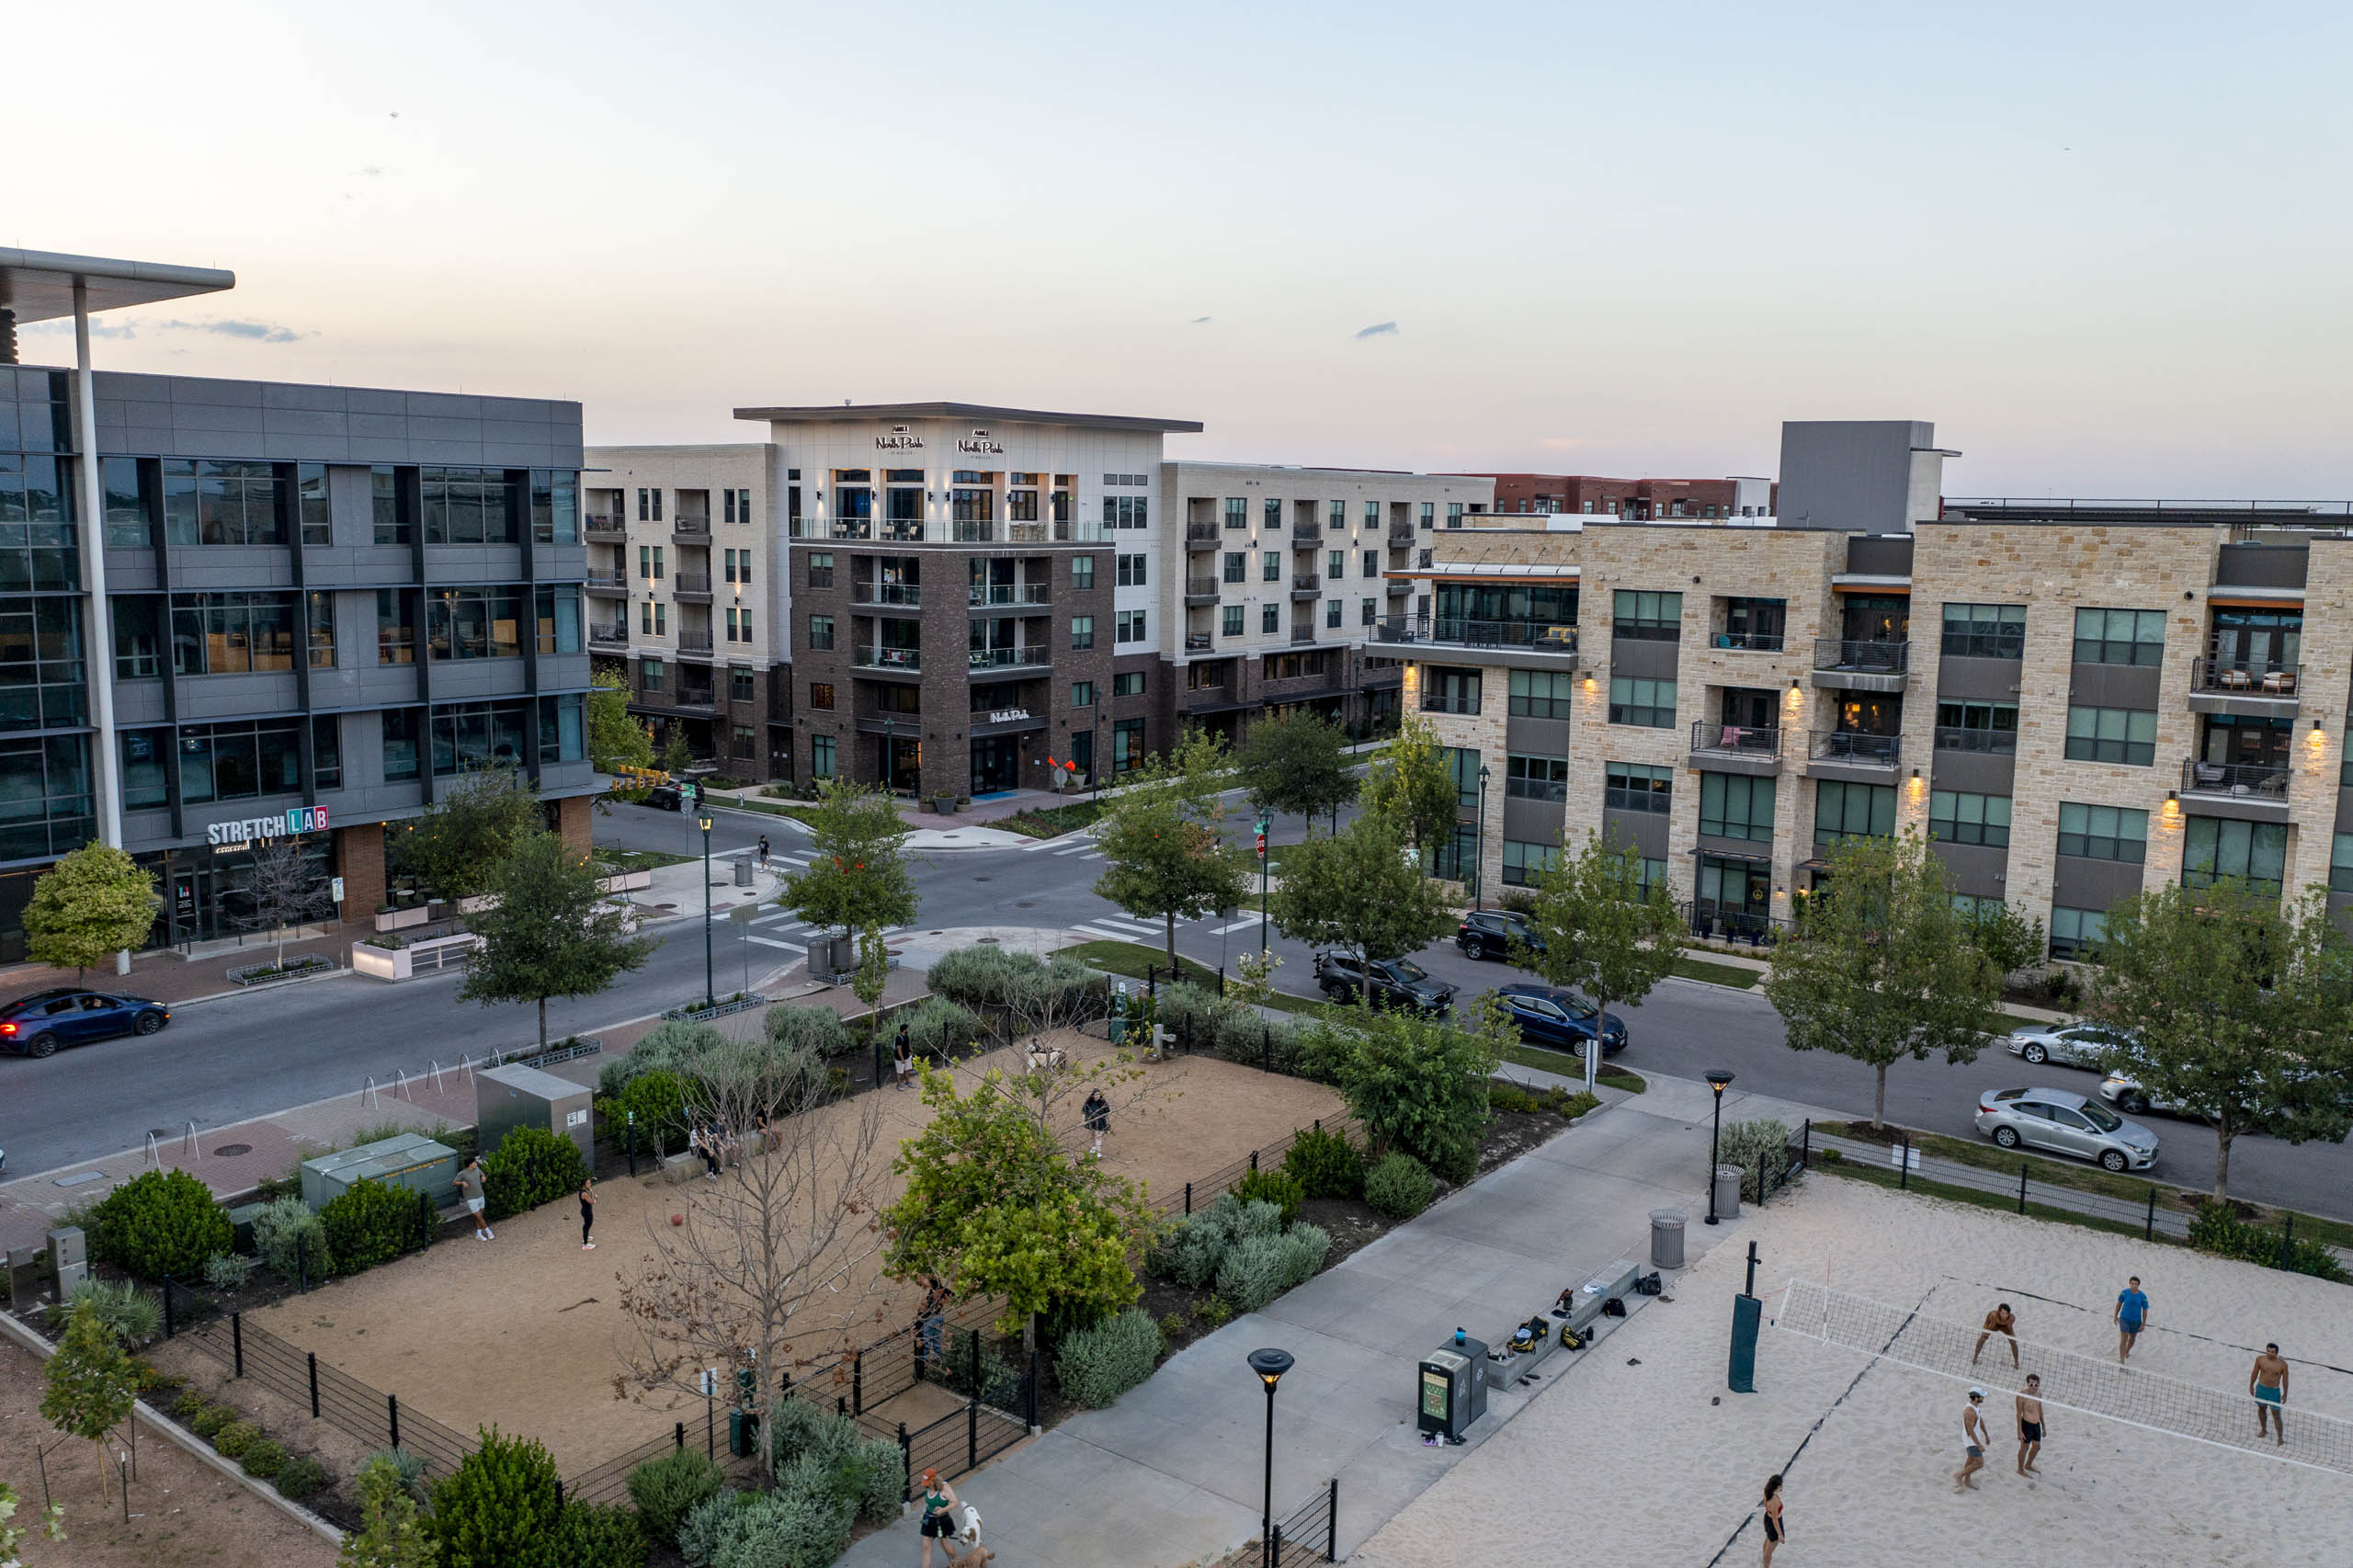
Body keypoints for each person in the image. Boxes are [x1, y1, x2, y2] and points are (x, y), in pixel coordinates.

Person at [917, 1469, 963, 1568]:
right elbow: (930, 1502)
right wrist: (924, 1513)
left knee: (944, 1544)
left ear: (934, 1480)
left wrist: (943, 1510)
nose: (926, 1485)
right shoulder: (928, 1486)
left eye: (929, 1482)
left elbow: (955, 1502)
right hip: (929, 1518)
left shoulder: (944, 1487)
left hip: (941, 1520)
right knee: (925, 1546)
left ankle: (957, 1561)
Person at [2251, 1343, 2290, 1446]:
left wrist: (2285, 1394)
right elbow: (2255, 1372)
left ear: (2276, 1353)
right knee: (2261, 1409)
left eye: (2272, 1352)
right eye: (2268, 1351)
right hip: (2261, 1389)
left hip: (2274, 1391)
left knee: (2276, 1415)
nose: (2270, 1353)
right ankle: (2263, 1430)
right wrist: (2251, 1385)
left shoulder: (2283, 1365)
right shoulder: (2260, 1360)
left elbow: (2285, 1381)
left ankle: (2280, 1438)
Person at [1954, 1388, 1990, 1492]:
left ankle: (1967, 1480)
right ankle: (1959, 1476)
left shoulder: (1976, 1407)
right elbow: (1970, 1431)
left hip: (1975, 1437)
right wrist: (1978, 1444)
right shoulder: (1969, 1412)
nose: (1983, 1398)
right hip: (1970, 1440)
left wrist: (1986, 1435)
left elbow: (1980, 1420)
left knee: (1970, 1459)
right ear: (1975, 1397)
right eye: (1981, 1396)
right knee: (1979, 1462)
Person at [452, 1154, 492, 1242]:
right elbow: (454, 1183)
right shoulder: (462, 1173)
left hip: (481, 1195)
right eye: (474, 1162)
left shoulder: (477, 1169)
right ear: (469, 1164)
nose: (475, 1163)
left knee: (479, 1217)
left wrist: (483, 1177)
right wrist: (462, 1183)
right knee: (478, 1216)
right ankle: (488, 1231)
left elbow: (482, 1174)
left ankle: (479, 1235)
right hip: (471, 1198)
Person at [2115, 1276, 2150, 1363]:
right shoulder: (2124, 1293)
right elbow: (2119, 1304)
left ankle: (2126, 1352)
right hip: (2124, 1318)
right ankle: (2122, 1360)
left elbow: (2145, 1311)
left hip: (2136, 1321)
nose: (2134, 1285)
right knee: (2124, 1338)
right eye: (2132, 1283)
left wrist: (2143, 1324)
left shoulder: (2143, 1296)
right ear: (2130, 1284)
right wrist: (2115, 1315)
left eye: (2136, 1284)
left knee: (2132, 1338)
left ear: (2138, 1285)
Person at [1972, 1301, 2018, 1369]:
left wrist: (2010, 1336)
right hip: (1993, 1325)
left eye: (2006, 1314)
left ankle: (2016, 1362)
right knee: (1982, 1339)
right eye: (2003, 1313)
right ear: (1999, 1312)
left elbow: (2009, 1328)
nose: (2004, 1316)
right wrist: (1986, 1334)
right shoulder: (1993, 1315)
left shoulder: (2012, 1318)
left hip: (2005, 1326)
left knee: (2013, 1342)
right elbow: (1989, 1325)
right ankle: (1975, 1357)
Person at [2015, 1374, 2044, 1475]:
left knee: (2037, 1447)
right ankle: (2020, 1469)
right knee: (2024, 1447)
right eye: (2031, 1384)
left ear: (2039, 1385)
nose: (2033, 1387)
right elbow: (2018, 1413)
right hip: (2026, 1424)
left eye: (2036, 1385)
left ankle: (2028, 1465)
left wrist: (2043, 1426)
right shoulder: (2022, 1395)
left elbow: (2040, 1410)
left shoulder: (2039, 1394)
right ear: (2027, 1384)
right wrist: (2019, 1431)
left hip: (2036, 1424)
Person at [918, 1276, 949, 1366]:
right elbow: (952, 1294)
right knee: (936, 1337)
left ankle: (925, 1359)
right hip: (940, 1317)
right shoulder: (939, 1290)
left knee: (927, 1336)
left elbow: (928, 1309)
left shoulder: (934, 1293)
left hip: (934, 1318)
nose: (925, 1283)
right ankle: (936, 1358)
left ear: (931, 1283)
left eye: (927, 1282)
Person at [1759, 1473, 1786, 1565]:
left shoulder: (1767, 1492)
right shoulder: (1774, 1500)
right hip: (1774, 1522)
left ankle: (1765, 1557)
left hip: (1767, 1518)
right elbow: (1775, 1520)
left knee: (1768, 1539)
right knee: (1770, 1548)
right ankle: (1766, 1561)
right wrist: (1780, 1535)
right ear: (1778, 1486)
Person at [1082, 1088, 1109, 1159]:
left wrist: (1108, 1123)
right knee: (1093, 1134)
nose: (1097, 1096)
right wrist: (1083, 1121)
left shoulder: (1103, 1102)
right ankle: (1094, 1147)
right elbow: (1083, 1112)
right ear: (1093, 1095)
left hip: (1101, 1122)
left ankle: (1099, 1153)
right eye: (1096, 1094)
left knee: (1098, 1136)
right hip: (1091, 1122)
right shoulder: (1089, 1102)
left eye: (1099, 1094)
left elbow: (1107, 1113)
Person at [894, 1023, 915, 1092]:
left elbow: (908, 1043)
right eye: (907, 1028)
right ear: (904, 1030)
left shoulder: (906, 1035)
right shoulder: (898, 1037)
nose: (908, 1029)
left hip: (907, 1056)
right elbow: (899, 1048)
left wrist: (911, 1050)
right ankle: (898, 1084)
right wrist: (902, 1058)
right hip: (900, 1058)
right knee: (899, 1072)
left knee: (907, 1070)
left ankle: (907, 1082)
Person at [579, 1176, 597, 1251]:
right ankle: (585, 1245)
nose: (590, 1184)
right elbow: (592, 1202)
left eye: (590, 1183)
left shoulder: (584, 1190)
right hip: (587, 1212)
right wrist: (594, 1196)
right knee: (587, 1226)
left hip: (585, 1211)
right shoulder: (584, 1194)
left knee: (586, 1225)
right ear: (583, 1185)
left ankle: (585, 1237)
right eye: (588, 1183)